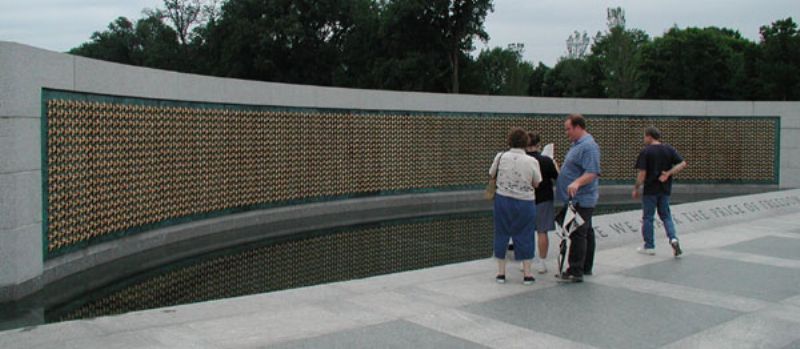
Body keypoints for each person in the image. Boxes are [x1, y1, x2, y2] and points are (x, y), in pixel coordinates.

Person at [489, 128, 542, 285]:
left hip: (503, 200)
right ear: (526, 142)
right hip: (525, 201)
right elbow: (537, 182)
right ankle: (527, 274)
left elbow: (492, 173)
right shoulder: (532, 161)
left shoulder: (500, 156)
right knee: (525, 234)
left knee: (501, 233)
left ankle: (501, 273)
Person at [555, 114, 601, 283]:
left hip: (581, 198)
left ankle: (575, 270)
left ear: (578, 127)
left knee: (578, 233)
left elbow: (593, 172)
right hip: (575, 198)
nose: (566, 132)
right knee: (586, 230)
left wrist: (576, 183)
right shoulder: (577, 145)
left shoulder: (588, 147)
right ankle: (585, 266)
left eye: (568, 129)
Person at [633, 127, 688, 256]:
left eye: (645, 136)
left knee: (648, 218)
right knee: (666, 216)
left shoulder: (646, 152)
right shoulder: (668, 149)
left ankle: (649, 246)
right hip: (664, 189)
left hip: (650, 190)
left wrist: (636, 188)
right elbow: (683, 163)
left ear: (650, 137)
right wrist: (668, 173)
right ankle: (673, 239)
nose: (644, 139)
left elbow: (642, 173)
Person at [526, 132, 558, 274]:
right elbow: (557, 177)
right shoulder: (546, 161)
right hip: (544, 199)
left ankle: (524, 261)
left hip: (525, 198)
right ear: (538, 145)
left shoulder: (521, 160)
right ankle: (542, 262)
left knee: (525, 231)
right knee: (542, 231)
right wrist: (555, 164)